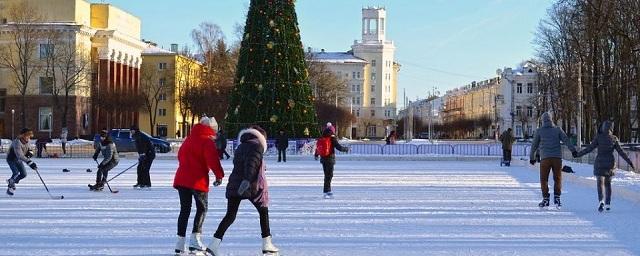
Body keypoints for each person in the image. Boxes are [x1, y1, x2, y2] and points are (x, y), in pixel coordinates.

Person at [207, 125, 278, 256]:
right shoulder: (257, 146)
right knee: (263, 210)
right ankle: (267, 243)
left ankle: (213, 244)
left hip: (235, 183)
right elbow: (252, 163)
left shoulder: (241, 146)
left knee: (230, 216)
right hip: (250, 185)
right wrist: (247, 180)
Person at [172, 117, 224, 255]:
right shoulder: (206, 141)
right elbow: (212, 160)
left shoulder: (188, 139)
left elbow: (180, 156)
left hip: (182, 178)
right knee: (202, 208)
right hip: (197, 180)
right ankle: (195, 239)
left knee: (185, 210)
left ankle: (180, 242)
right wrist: (219, 175)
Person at [574, 120, 635, 212]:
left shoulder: (599, 137)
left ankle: (601, 201)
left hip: (600, 163)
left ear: (602, 128)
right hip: (610, 163)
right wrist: (629, 162)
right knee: (608, 184)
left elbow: (589, 149)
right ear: (611, 128)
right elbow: (621, 152)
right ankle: (608, 204)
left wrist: (578, 154)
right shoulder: (614, 138)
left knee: (600, 183)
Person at [529, 112, 577, 208]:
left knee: (544, 179)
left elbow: (534, 145)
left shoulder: (539, 131)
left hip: (545, 159)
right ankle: (557, 197)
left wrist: (532, 158)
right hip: (557, 158)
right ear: (551, 119)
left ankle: (546, 199)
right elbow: (566, 140)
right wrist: (573, 150)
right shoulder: (557, 129)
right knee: (557, 178)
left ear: (543, 120)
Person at [314, 123, 349, 199]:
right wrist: (346, 149)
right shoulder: (332, 138)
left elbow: (318, 147)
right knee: (329, 176)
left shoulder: (322, 137)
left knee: (326, 175)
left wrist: (316, 155)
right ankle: (327, 191)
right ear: (332, 131)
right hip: (330, 159)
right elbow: (338, 147)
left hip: (323, 159)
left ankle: (326, 190)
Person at [6, 128, 37, 196]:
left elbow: (30, 149)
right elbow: (19, 155)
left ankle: (11, 181)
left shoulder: (28, 141)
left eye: (29, 136)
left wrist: (30, 154)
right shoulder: (17, 142)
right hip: (12, 159)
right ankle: (10, 186)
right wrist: (30, 163)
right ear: (22, 135)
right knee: (16, 173)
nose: (28, 137)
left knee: (24, 174)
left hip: (19, 160)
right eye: (27, 136)